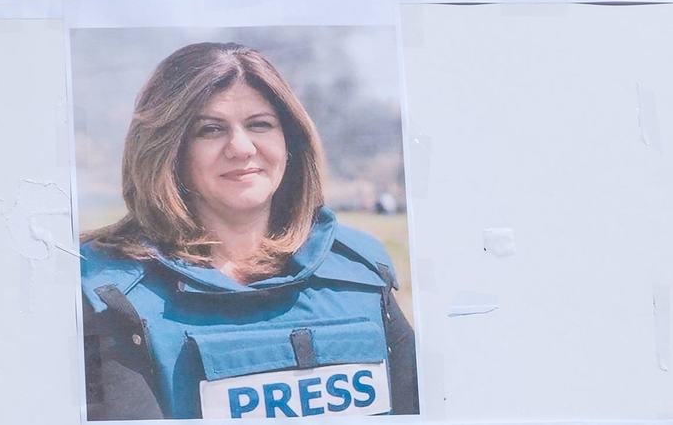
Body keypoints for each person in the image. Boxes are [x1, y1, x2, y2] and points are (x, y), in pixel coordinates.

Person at [80, 42, 419, 420]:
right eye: (210, 130)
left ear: (290, 142)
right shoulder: (106, 292)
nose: (241, 148)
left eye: (260, 124)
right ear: (168, 149)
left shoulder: (361, 271)